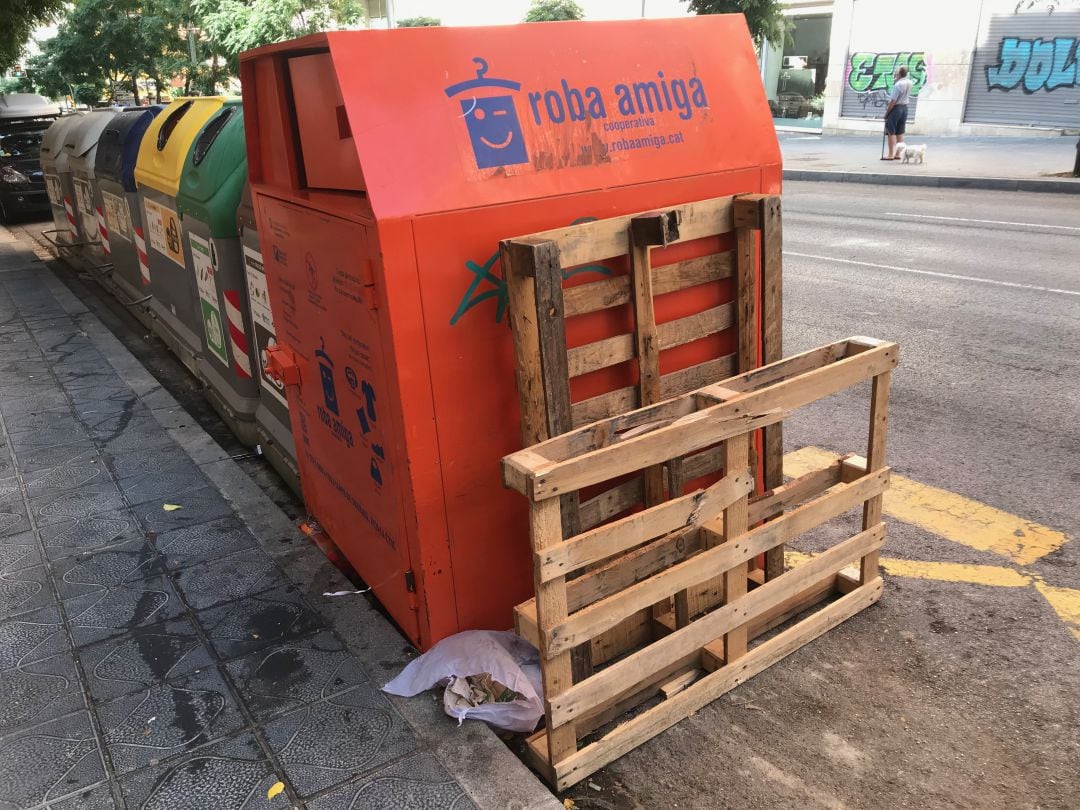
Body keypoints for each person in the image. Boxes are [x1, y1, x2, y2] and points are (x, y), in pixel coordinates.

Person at [884, 66, 913, 160]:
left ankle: (890, 154)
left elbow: (893, 101)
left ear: (899, 74)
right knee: (900, 132)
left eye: (896, 73)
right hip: (905, 108)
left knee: (891, 131)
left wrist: (887, 113)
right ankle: (898, 154)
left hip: (896, 109)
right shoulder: (910, 82)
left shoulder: (898, 85)